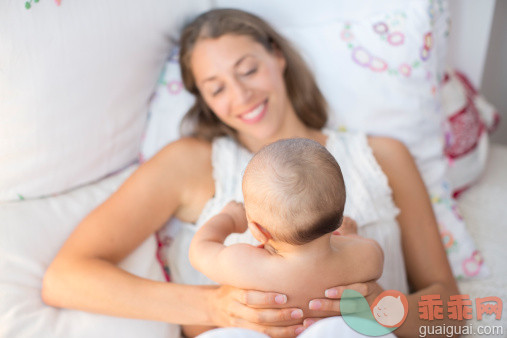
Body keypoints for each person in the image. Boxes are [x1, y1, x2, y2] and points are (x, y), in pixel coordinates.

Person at [42, 8, 460, 337]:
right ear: (204, 100)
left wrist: (385, 312)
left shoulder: (382, 156)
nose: (241, 95)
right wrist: (212, 306)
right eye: (217, 87)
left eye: (248, 69)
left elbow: (451, 314)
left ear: (277, 57)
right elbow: (65, 278)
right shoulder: (189, 164)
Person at [185, 138, 384, 337]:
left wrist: (227, 218)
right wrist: (350, 236)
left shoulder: (248, 265)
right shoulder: (365, 257)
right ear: (339, 218)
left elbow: (200, 250)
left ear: (259, 231)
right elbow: (369, 250)